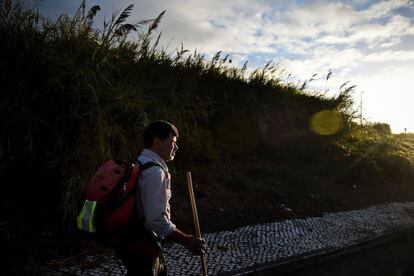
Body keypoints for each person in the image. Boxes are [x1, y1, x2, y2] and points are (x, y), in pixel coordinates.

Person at [114, 120, 206, 275]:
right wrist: (185, 240)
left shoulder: (139, 163)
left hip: (129, 242)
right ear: (156, 142)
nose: (176, 147)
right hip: (142, 245)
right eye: (172, 142)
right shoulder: (155, 172)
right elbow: (155, 219)